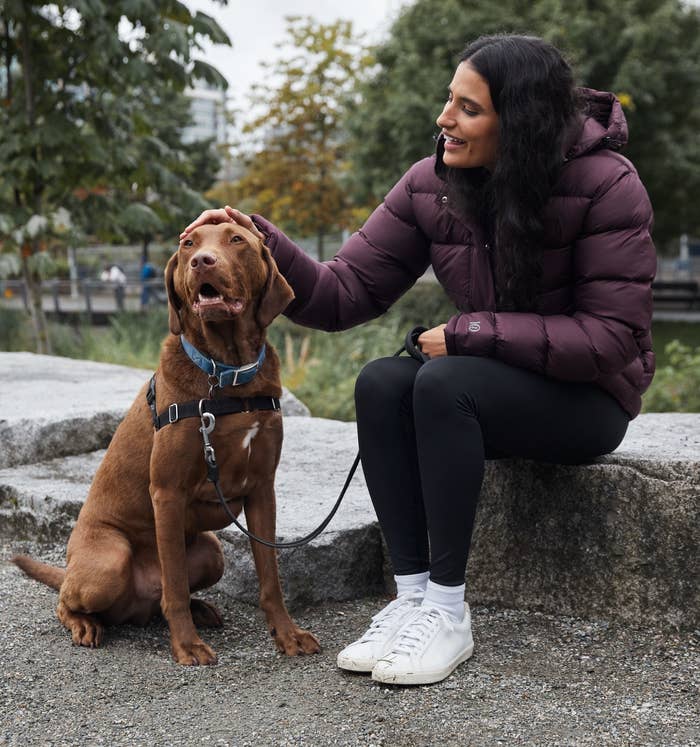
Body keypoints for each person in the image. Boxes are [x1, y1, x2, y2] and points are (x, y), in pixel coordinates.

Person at [181, 34, 655, 686]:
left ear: (517, 121)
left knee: (443, 381)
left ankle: (448, 609)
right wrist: (255, 239)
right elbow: (341, 292)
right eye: (447, 100)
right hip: (489, 377)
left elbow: (612, 337)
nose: (444, 118)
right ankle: (411, 598)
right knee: (380, 381)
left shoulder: (606, 185)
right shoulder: (432, 184)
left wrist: (468, 332)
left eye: (468, 108)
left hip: (590, 398)